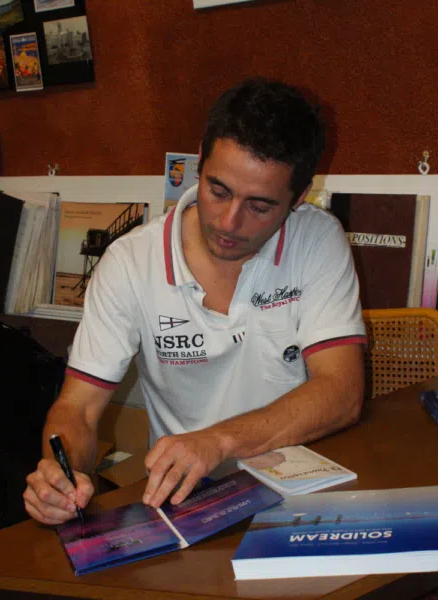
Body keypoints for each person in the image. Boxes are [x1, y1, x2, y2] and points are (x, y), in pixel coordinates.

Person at [24, 77, 366, 526]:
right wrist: (61, 476)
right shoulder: (130, 262)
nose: (228, 222)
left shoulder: (317, 239)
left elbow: (342, 392)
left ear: (299, 197)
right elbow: (79, 409)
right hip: (188, 506)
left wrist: (218, 441)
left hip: (298, 495)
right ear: (200, 159)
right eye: (218, 190)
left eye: (259, 207)